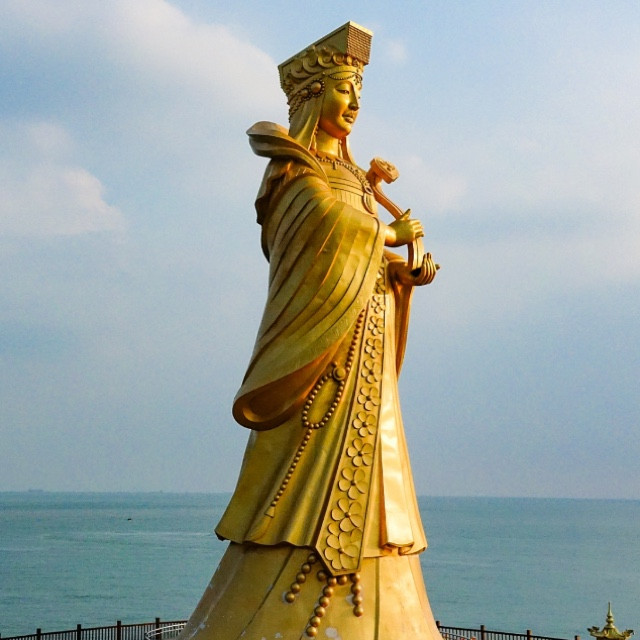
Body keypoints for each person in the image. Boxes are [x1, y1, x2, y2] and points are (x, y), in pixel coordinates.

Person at [179, 22, 442, 640]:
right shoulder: (295, 171)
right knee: (304, 455)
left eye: (359, 94)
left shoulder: (353, 179)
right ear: (314, 94)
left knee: (375, 457)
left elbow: (361, 255)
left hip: (367, 344)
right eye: (345, 89)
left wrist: (402, 273)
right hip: (319, 346)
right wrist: (385, 234)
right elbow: (314, 234)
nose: (353, 104)